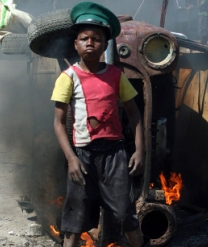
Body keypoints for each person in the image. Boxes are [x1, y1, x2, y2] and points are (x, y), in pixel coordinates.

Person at [51, 2, 148, 247]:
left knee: (127, 216)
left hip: (114, 155)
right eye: (84, 38)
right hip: (82, 156)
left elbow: (134, 114)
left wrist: (139, 150)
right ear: (76, 44)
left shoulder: (115, 75)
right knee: (74, 222)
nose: (90, 43)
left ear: (105, 45)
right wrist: (71, 158)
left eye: (96, 39)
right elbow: (59, 123)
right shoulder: (67, 78)